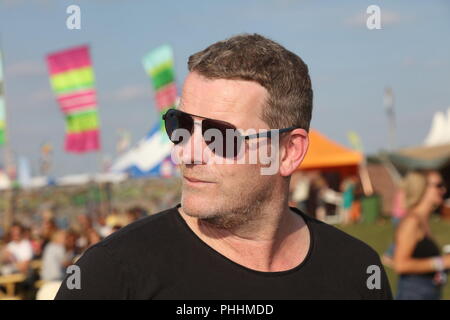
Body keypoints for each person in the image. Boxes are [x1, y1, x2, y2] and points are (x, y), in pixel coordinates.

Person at [56, 34, 392, 299]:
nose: (188, 152)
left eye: (221, 136)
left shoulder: (356, 271)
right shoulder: (113, 274)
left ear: (289, 152)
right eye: (180, 125)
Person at [394, 170, 450, 300]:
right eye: (438, 185)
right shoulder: (412, 221)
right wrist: (442, 262)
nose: (443, 189)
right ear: (423, 188)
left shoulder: (422, 220)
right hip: (414, 294)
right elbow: (400, 265)